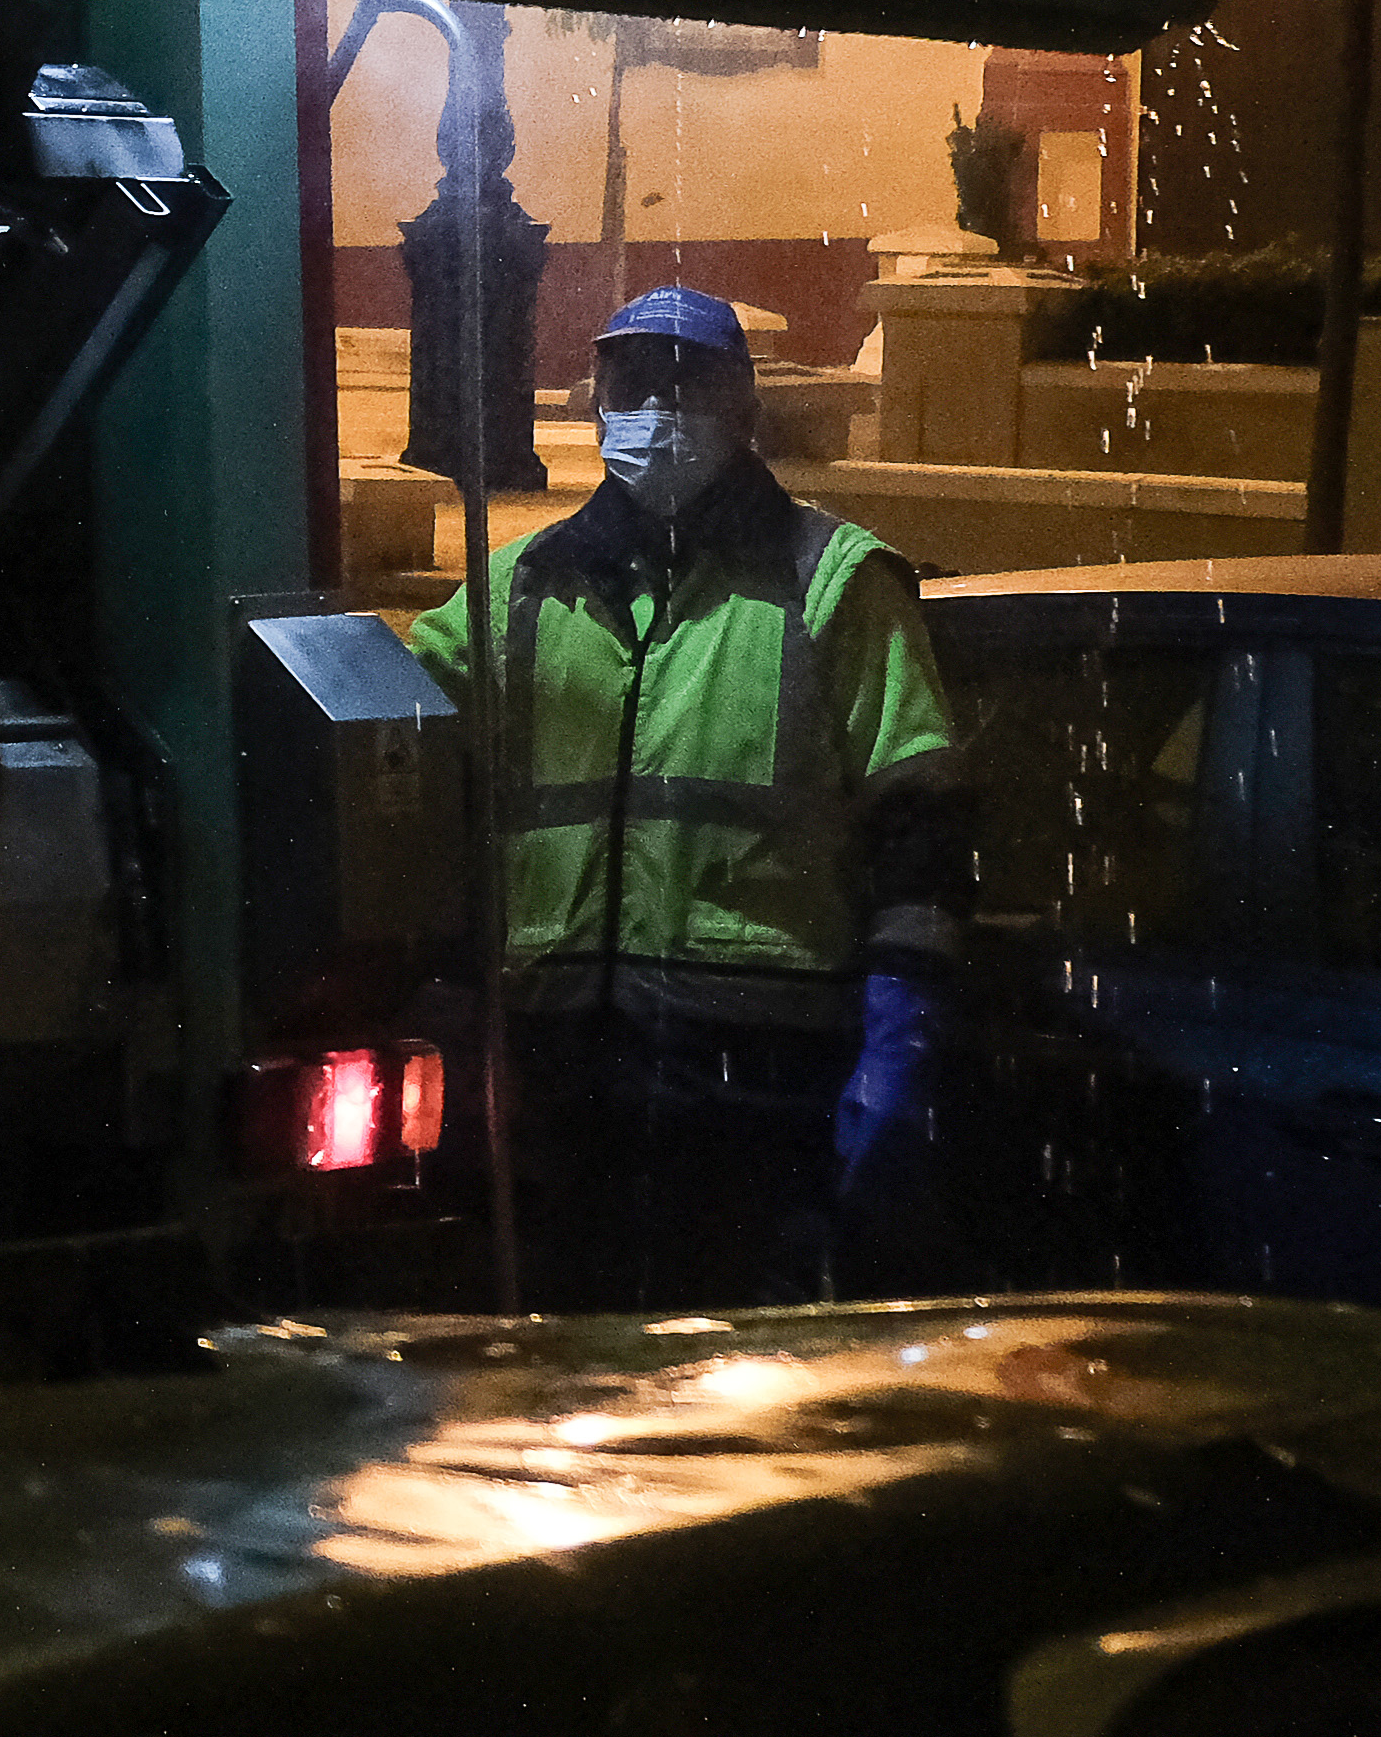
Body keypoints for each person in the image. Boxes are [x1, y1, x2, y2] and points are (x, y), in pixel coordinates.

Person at [406, 284, 972, 1305]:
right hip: (562, 1079)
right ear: (594, 407)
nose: (657, 411)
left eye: (688, 384)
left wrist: (901, 1034)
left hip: (761, 1089)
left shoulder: (834, 584)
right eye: (632, 384)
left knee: (742, 1400)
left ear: (744, 410)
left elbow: (920, 823)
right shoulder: (520, 590)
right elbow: (395, 750)